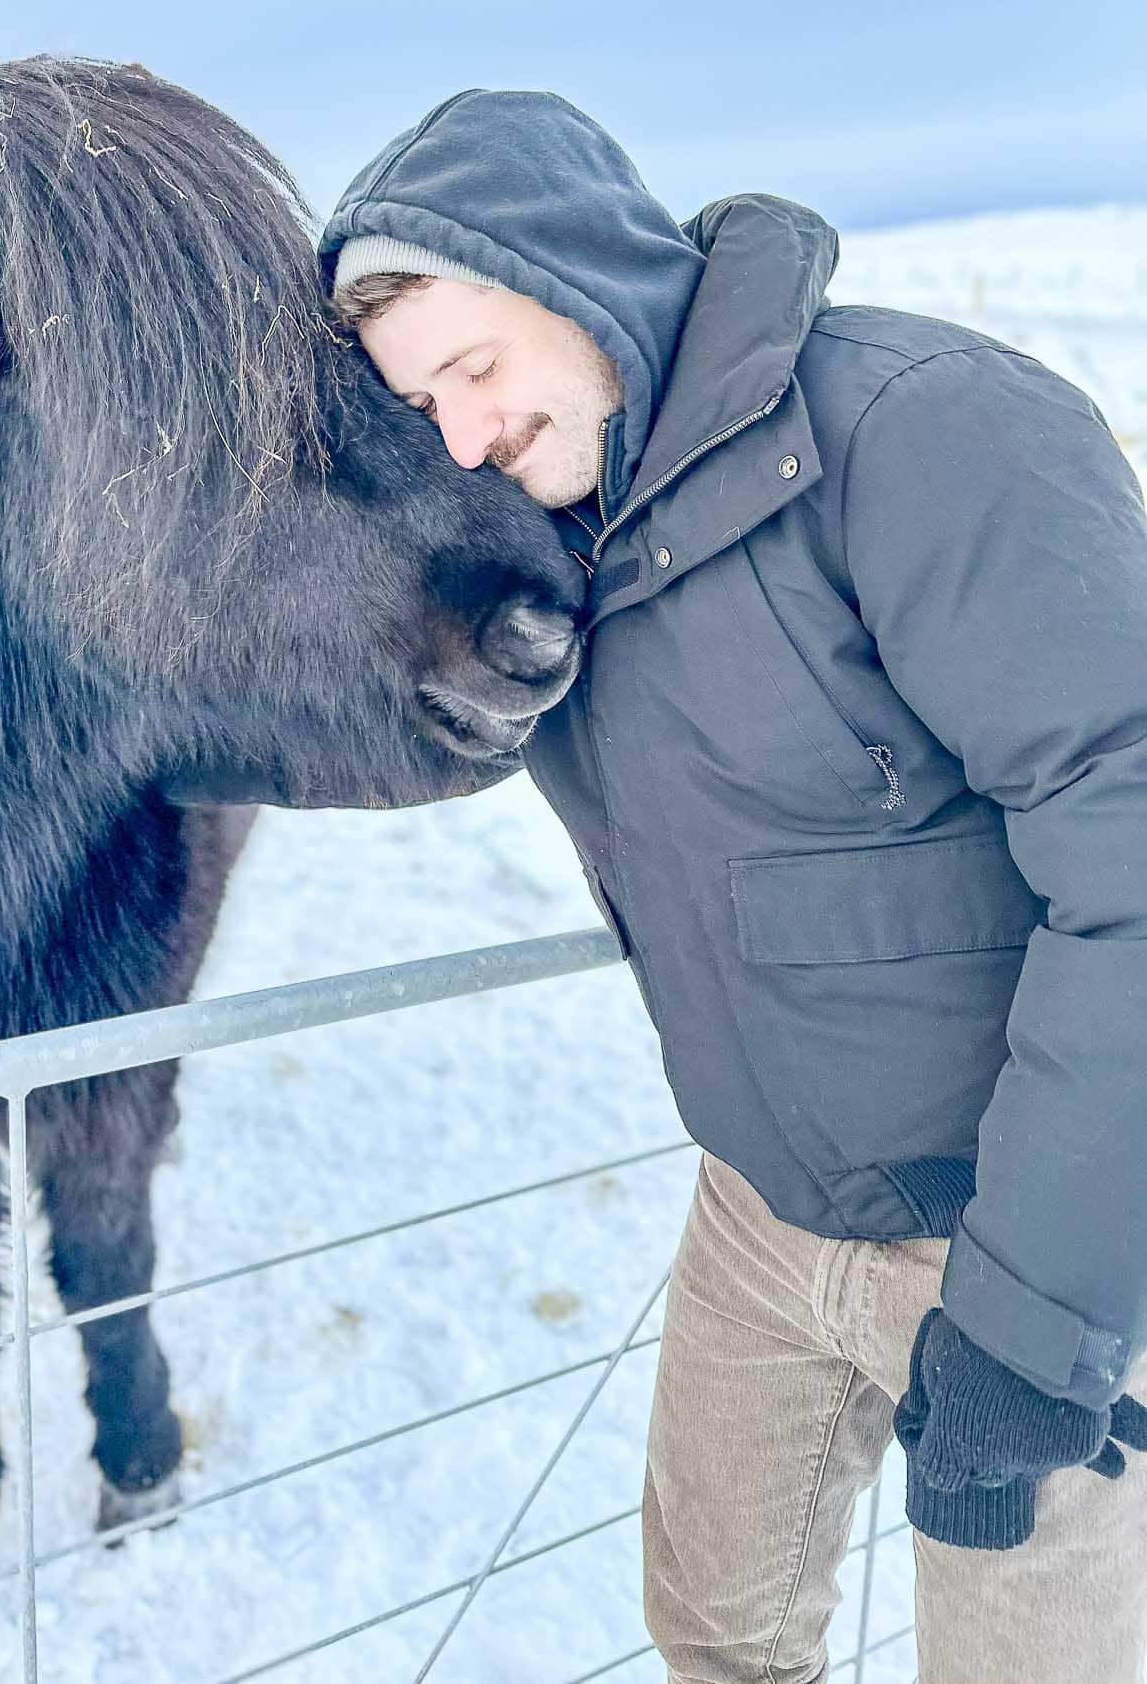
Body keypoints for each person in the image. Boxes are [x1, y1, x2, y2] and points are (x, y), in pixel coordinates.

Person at [319, 89, 1147, 1684]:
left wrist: (1035, 1323)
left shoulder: (923, 430)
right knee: (718, 1638)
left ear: (577, 278)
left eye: (474, 369)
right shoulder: (562, 535)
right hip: (759, 1216)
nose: (465, 436)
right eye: (422, 404)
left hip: (1032, 1234)